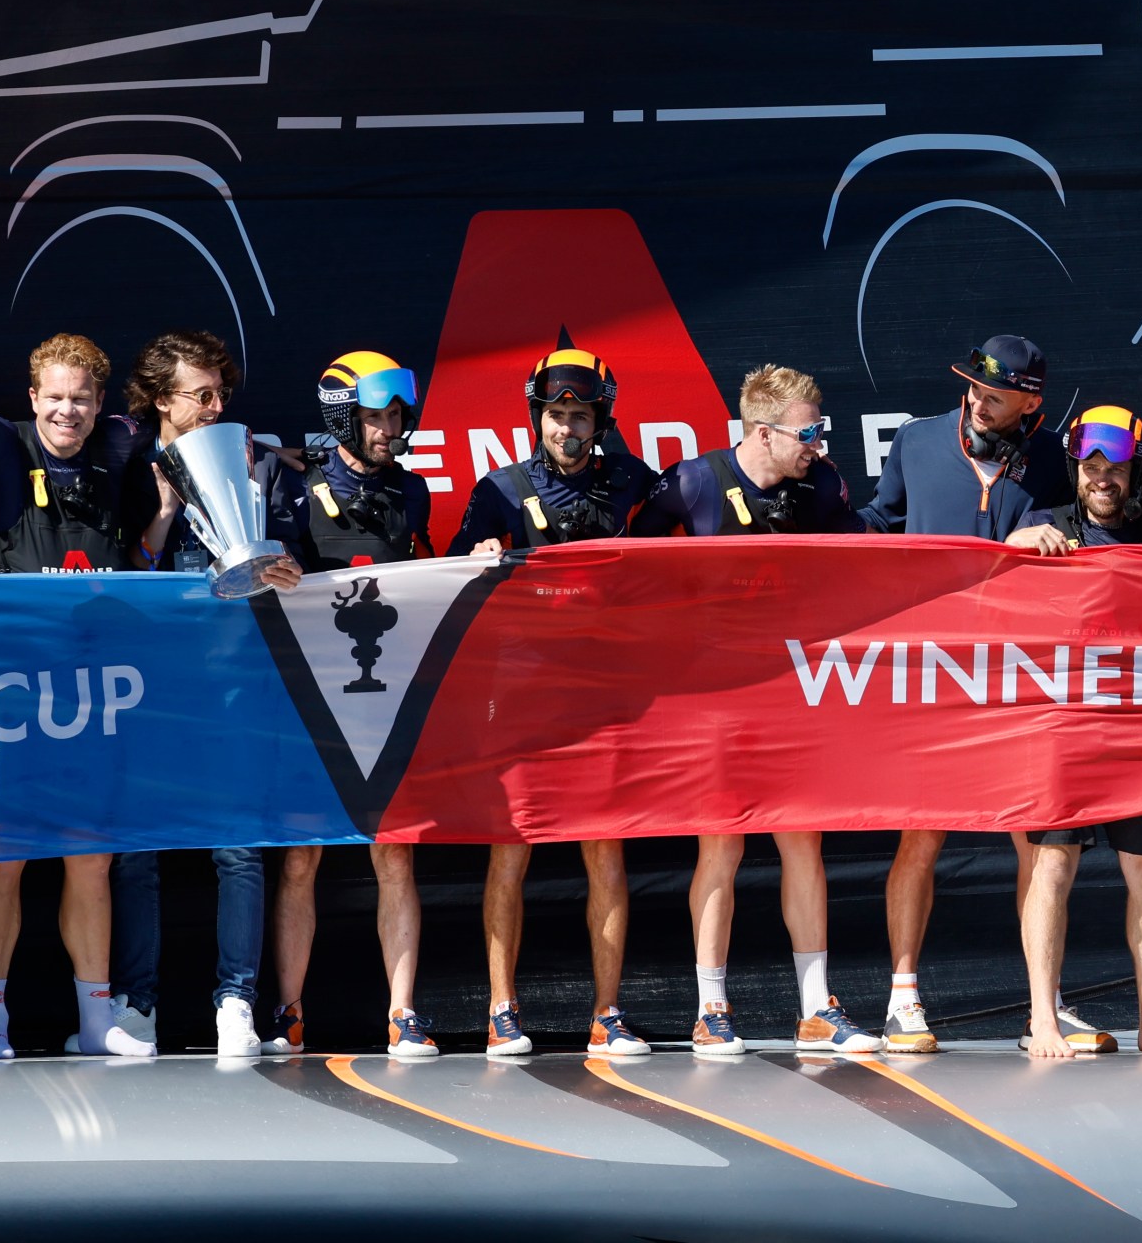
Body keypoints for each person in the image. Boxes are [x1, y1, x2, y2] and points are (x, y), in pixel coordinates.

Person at [632, 365, 878, 1056]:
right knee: (722, 843)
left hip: (796, 690)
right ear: (764, 434)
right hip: (714, 696)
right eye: (811, 432)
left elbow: (874, 560)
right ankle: (711, 1007)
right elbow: (624, 568)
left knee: (804, 839)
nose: (821, 444)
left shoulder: (821, 485)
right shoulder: (694, 482)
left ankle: (815, 1008)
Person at [855, 334, 1071, 1055]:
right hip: (929, 671)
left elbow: (1079, 536)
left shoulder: (1052, 461)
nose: (978, 399)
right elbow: (877, 525)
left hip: (1014, 672)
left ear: (1028, 404)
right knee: (922, 831)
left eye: (995, 393)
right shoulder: (916, 440)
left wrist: (1056, 530)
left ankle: (1047, 1003)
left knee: (1032, 835)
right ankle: (903, 998)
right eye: (973, 386)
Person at [449, 341, 659, 1057]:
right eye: (556, 415)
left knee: (606, 855)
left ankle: (608, 1014)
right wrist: (471, 563)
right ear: (537, 415)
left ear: (603, 418)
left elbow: (678, 574)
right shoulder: (499, 490)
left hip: (607, 696)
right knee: (510, 854)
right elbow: (450, 577)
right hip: (520, 697)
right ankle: (501, 1011)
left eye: (582, 415)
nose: (568, 428)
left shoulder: (637, 483)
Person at [0, 337, 153, 1060]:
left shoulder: (123, 445)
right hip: (6, 695)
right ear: (32, 397)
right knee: (3, 859)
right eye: (54, 396)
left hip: (91, 692)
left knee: (91, 858)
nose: (67, 410)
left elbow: (184, 432)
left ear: (101, 404)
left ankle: (96, 1022)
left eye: (81, 398)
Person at [114, 330, 304, 1057]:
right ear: (162, 400)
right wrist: (162, 512)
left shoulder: (258, 468)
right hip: (150, 691)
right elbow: (123, 570)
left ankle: (235, 1001)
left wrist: (285, 568)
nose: (217, 406)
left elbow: (291, 561)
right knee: (138, 852)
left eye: (222, 392)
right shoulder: (127, 467)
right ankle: (138, 1005)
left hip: (233, 689)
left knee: (239, 852)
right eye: (202, 394)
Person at [1005, 406, 1142, 1058]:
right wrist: (1013, 549)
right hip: (1061, 728)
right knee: (1052, 865)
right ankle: (1041, 1018)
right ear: (1075, 470)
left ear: (1133, 473)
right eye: (1090, 467)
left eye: (1114, 468)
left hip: (1139, 732)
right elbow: (977, 591)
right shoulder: (1041, 529)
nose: (1101, 479)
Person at [265, 351, 437, 1057]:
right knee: (301, 859)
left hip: (387, 697)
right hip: (311, 696)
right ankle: (288, 1011)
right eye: (374, 415)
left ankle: (403, 1014)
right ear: (342, 417)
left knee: (395, 858)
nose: (388, 428)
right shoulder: (293, 487)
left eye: (396, 415)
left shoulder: (414, 491)